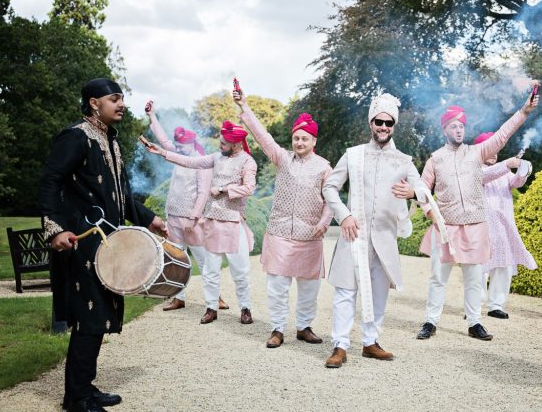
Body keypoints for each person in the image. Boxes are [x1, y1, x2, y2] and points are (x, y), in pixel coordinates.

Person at [39, 78, 166, 412]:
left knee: (98, 317)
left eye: (122, 98)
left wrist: (149, 218)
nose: (121, 104)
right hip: (81, 241)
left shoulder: (110, 140)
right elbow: (50, 181)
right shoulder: (76, 137)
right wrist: (55, 230)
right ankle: (76, 398)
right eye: (114, 99)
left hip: (107, 243)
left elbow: (121, 195)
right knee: (89, 316)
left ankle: (84, 387)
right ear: (94, 103)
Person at [416, 86, 539, 342]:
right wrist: (430, 213)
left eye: (461, 125)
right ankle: (430, 321)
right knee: (438, 279)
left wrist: (523, 112)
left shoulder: (476, 153)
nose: (458, 129)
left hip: (474, 226)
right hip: (445, 227)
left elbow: (503, 136)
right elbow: (421, 190)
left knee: (473, 279)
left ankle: (475, 323)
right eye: (453, 126)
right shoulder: (435, 159)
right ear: (445, 130)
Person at [322, 93, 433, 368]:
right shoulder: (353, 155)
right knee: (346, 290)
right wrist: (344, 215)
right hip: (353, 235)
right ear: (371, 122)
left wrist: (412, 193)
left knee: (380, 292)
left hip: (384, 237)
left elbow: (424, 190)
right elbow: (329, 187)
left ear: (393, 126)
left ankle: (370, 342)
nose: (383, 127)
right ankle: (340, 345)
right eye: (379, 122)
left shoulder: (404, 161)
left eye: (388, 123)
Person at [233, 90, 333, 348]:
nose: (299, 143)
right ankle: (277, 329)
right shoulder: (283, 159)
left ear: (314, 141)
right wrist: (244, 106)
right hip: (279, 232)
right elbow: (263, 137)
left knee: (309, 288)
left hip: (310, 236)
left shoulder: (324, 166)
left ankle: (304, 327)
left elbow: (331, 201)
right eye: (296, 138)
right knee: (277, 286)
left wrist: (323, 223)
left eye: (304, 138)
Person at [147, 120, 256, 325]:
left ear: (235, 144)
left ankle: (245, 308)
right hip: (213, 222)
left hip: (233, 223)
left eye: (223, 143)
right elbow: (190, 162)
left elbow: (249, 188)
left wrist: (224, 189)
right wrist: (162, 153)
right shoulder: (215, 158)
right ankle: (211, 309)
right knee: (210, 269)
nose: (219, 145)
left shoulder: (248, 162)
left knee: (240, 271)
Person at [145, 101, 229, 312]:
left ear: (192, 143)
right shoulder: (177, 155)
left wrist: (193, 218)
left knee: (203, 260)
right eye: (177, 145)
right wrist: (152, 116)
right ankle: (178, 297)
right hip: (173, 216)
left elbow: (203, 194)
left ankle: (216, 297)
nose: (178, 148)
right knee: (176, 259)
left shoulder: (201, 162)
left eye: (182, 145)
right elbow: (162, 140)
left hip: (193, 220)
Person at [474, 132, 537, 320]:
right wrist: (507, 164)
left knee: (503, 267)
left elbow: (516, 182)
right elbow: (484, 176)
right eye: (490, 148)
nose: (494, 153)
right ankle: (474, 306)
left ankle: (496, 305)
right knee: (478, 269)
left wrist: (523, 170)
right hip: (482, 227)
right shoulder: (473, 169)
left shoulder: (504, 172)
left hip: (503, 227)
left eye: (496, 149)